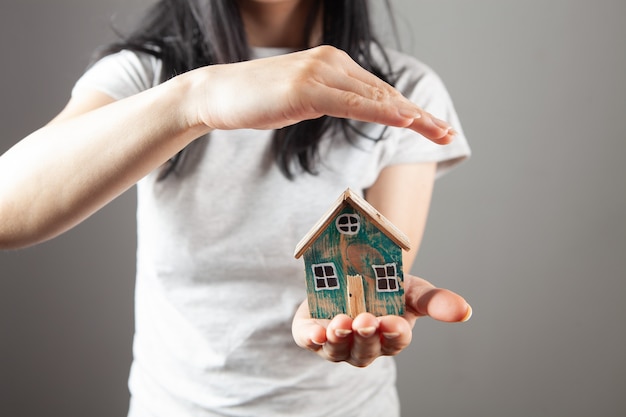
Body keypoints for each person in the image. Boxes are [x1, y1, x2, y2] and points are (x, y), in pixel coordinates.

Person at [0, 0, 472, 416]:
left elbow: (378, 272)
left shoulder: (403, 91)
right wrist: (196, 99)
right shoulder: (144, 76)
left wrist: (345, 315)